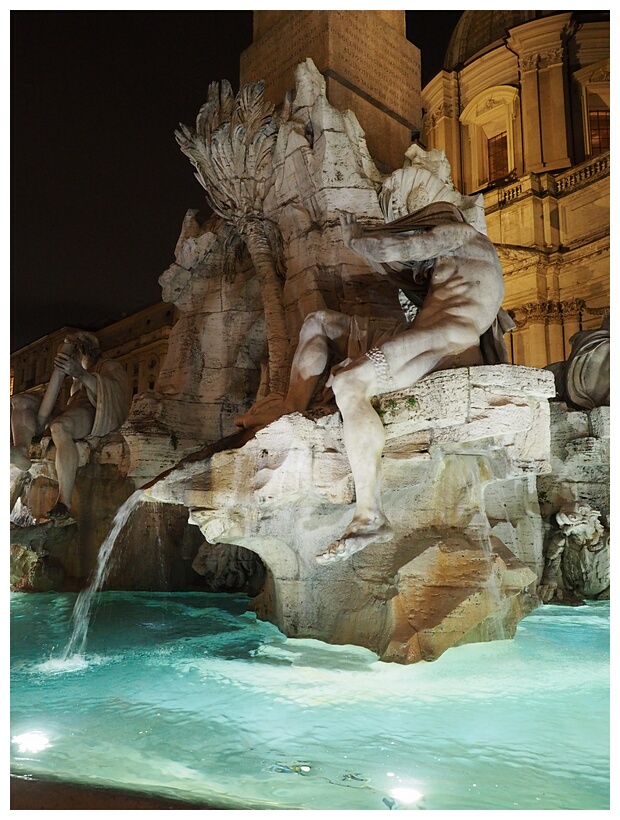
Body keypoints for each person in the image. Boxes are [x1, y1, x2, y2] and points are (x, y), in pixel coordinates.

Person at [235, 201, 512, 564]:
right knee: (318, 322)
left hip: (449, 339)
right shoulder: (458, 263)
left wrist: (357, 240)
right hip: (422, 332)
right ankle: (292, 407)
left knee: (350, 382)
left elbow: (396, 249)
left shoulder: (463, 235)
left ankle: (370, 514)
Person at [10, 331, 131, 520]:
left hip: (95, 415)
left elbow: (120, 394)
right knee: (20, 400)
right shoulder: (74, 380)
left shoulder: (108, 366)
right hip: (72, 412)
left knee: (59, 426)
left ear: (84, 350)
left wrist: (81, 374)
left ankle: (64, 501)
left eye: (72, 350)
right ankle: (21, 451)